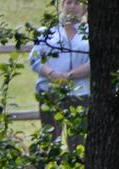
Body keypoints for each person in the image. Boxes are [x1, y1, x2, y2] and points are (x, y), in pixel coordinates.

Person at [29, 0, 90, 153]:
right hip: (50, 92)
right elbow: (35, 59)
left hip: (80, 93)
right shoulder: (46, 32)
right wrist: (52, 74)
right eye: (68, 2)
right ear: (62, 6)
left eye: (77, 3)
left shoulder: (91, 33)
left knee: (77, 142)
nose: (72, 6)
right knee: (50, 139)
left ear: (84, 9)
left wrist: (69, 76)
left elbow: (95, 62)